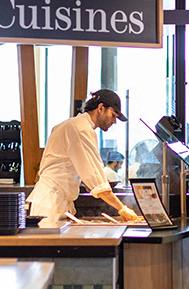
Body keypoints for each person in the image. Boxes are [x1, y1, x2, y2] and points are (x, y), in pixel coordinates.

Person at [27, 89, 138, 224]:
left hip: (54, 201)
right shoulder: (80, 129)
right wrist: (122, 209)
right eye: (113, 115)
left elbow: (78, 170)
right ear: (101, 108)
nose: (114, 121)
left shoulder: (73, 125)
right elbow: (95, 180)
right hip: (51, 204)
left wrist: (92, 182)